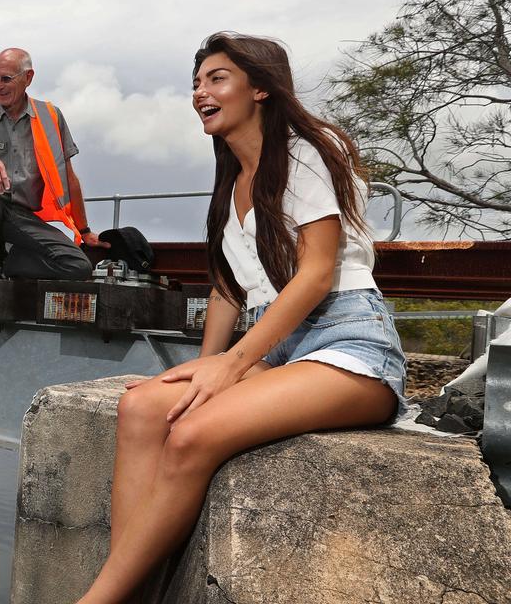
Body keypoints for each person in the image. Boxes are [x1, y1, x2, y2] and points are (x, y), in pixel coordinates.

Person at [76, 32, 407, 603]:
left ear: (259, 88)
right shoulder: (233, 180)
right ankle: (128, 590)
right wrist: (204, 371)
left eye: (216, 78)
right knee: (143, 408)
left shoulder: (306, 148)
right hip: (275, 345)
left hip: (348, 342)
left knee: (193, 437)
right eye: (197, 83)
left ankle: (98, 601)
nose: (201, 92)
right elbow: (230, 290)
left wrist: (230, 365)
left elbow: (316, 273)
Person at [0, 48, 105, 278]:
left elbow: (69, 178)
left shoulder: (51, 117)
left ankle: (7, 263)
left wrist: (85, 231)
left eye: (6, 79)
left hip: (22, 217)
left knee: (78, 267)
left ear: (28, 78)